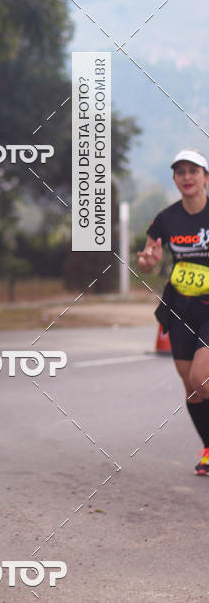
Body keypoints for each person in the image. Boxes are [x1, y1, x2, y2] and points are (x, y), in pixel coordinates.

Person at [138, 149, 209, 476]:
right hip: (181, 306)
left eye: (193, 171)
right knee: (192, 389)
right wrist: (147, 262)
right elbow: (149, 256)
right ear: (175, 180)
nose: (187, 177)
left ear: (205, 178)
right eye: (180, 172)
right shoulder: (166, 218)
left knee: (201, 377)